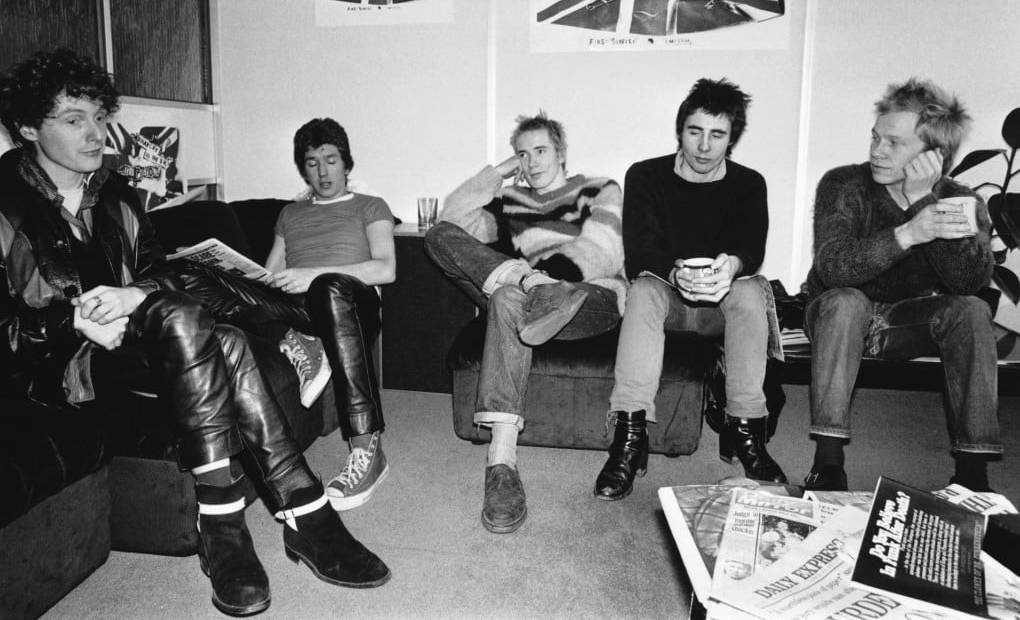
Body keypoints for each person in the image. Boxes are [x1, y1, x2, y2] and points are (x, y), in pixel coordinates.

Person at [0, 48, 389, 618]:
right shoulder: (5, 205)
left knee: (209, 327)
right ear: (30, 127)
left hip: (141, 343)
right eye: (73, 119)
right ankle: (302, 514)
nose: (95, 134)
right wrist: (70, 321)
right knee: (220, 337)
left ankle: (227, 522)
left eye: (99, 117)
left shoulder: (116, 193)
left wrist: (135, 294)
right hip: (57, 368)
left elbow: (160, 271)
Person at [179, 117, 396, 512]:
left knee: (328, 286)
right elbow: (268, 274)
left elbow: (385, 269)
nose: (323, 172)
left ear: (347, 163)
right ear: (303, 169)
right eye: (312, 163)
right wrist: (225, 274)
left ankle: (368, 448)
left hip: (349, 304)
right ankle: (304, 343)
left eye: (331, 160)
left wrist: (312, 275)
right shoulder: (290, 214)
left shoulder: (370, 206)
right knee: (199, 279)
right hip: (297, 309)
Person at [424, 111, 626, 534]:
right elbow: (452, 220)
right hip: (530, 300)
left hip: (590, 298)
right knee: (439, 239)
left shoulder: (600, 188)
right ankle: (502, 463)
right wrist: (497, 174)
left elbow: (603, 251)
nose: (531, 162)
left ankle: (531, 286)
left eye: (540, 151)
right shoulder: (512, 202)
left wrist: (553, 281)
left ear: (561, 152)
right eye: (522, 154)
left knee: (509, 296)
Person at [803, 78, 1000, 492]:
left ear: (933, 156)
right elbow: (833, 268)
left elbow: (968, 281)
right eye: (876, 137)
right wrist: (908, 234)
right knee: (847, 301)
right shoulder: (844, 184)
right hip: (837, 312)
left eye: (894, 143)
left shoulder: (959, 199)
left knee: (972, 310)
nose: (878, 150)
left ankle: (972, 477)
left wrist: (922, 201)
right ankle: (828, 464)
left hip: (904, 322)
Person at [595, 78, 787, 502]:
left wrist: (732, 266)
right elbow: (640, 253)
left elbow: (751, 248)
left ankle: (746, 432)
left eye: (717, 135)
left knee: (751, 291)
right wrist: (674, 273)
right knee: (643, 290)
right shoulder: (646, 175)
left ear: (732, 138)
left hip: (722, 304)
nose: (704, 146)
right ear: (679, 131)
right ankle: (629, 437)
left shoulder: (749, 183)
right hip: (669, 297)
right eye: (694, 132)